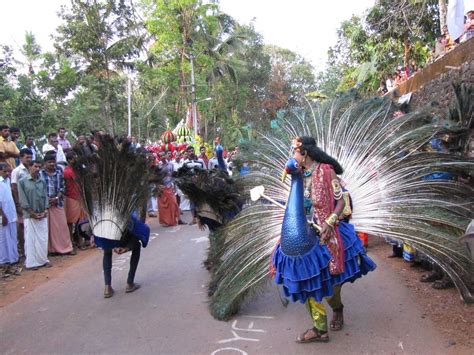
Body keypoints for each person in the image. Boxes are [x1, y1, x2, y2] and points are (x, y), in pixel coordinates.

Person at [274, 136, 376, 343]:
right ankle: (320, 329)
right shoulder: (299, 174)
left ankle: (337, 308)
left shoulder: (327, 171)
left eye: (295, 152)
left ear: (305, 154)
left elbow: (341, 201)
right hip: (303, 232)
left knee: (330, 285)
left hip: (326, 231)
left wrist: (330, 222)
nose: (293, 155)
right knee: (307, 282)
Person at [18, 160, 50, 270]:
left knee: (43, 238)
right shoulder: (22, 181)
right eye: (35, 166)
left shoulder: (42, 181)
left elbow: (45, 196)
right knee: (31, 239)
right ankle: (32, 263)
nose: (37, 169)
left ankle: (43, 260)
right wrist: (32, 213)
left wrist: (45, 210)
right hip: (30, 215)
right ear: (30, 167)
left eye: (39, 167)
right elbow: (23, 199)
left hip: (42, 214)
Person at [40, 153, 74, 255]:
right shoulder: (41, 174)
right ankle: (51, 250)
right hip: (46, 204)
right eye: (49, 162)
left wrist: (56, 197)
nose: (52, 164)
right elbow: (40, 189)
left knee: (62, 226)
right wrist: (47, 199)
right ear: (45, 163)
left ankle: (66, 248)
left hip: (58, 203)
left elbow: (62, 187)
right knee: (49, 228)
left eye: (53, 162)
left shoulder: (59, 171)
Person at [11, 148, 33, 258]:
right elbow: (14, 187)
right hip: (21, 202)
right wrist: (18, 203)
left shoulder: (32, 169)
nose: (29, 159)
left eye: (30, 157)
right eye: (27, 157)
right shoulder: (17, 171)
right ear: (21, 158)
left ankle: (32, 248)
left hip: (32, 201)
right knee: (22, 225)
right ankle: (24, 250)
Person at [63, 152, 86, 249]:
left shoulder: (74, 170)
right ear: (69, 160)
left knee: (78, 221)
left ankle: (77, 241)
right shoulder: (68, 171)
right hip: (72, 197)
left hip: (78, 196)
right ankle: (74, 242)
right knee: (72, 222)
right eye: (74, 159)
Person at [0, 163, 19, 276]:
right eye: (5, 171)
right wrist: (2, 215)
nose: (7, 174)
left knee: (12, 237)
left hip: (11, 213)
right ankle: (4, 260)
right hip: (3, 215)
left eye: (8, 172)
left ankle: (13, 259)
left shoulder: (7, 181)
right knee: (3, 239)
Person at [157, 150, 180, 227]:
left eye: (164, 155)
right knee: (164, 206)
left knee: (174, 203)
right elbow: (156, 178)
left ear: (166, 155)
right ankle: (166, 221)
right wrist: (158, 186)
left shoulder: (171, 164)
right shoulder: (158, 166)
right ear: (159, 157)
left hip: (170, 186)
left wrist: (174, 184)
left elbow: (173, 175)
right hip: (162, 187)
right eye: (161, 156)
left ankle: (174, 220)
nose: (163, 157)